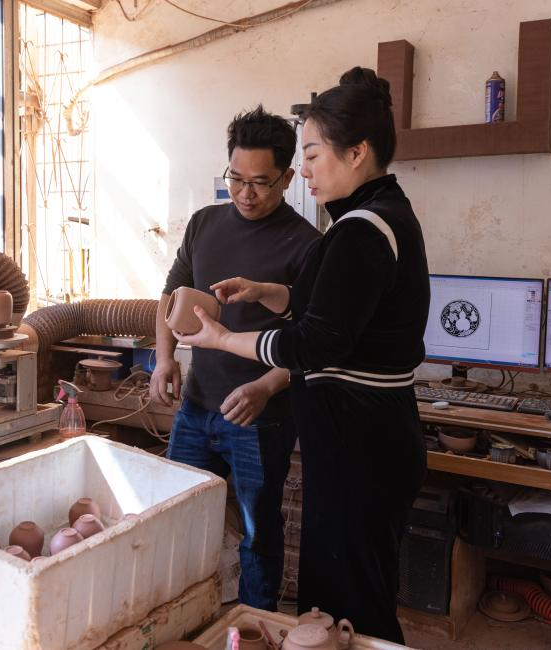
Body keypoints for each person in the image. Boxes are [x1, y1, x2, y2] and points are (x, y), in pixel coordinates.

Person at [172, 68, 429, 643]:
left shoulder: (362, 231)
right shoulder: (371, 219)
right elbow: (335, 310)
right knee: (344, 599)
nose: (306, 171)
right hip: (358, 441)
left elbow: (314, 342)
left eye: (312, 156)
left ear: (357, 153)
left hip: (360, 443)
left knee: (351, 610)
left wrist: (223, 339)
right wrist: (268, 293)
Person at [150, 105, 320, 610]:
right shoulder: (204, 223)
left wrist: (265, 387)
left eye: (261, 183)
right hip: (197, 405)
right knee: (173, 516)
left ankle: (255, 627)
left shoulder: (308, 246)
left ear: (288, 178)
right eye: (236, 178)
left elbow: (313, 343)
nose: (245, 194)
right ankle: (177, 620)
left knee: (257, 533)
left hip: (261, 418)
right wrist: (165, 359)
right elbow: (170, 296)